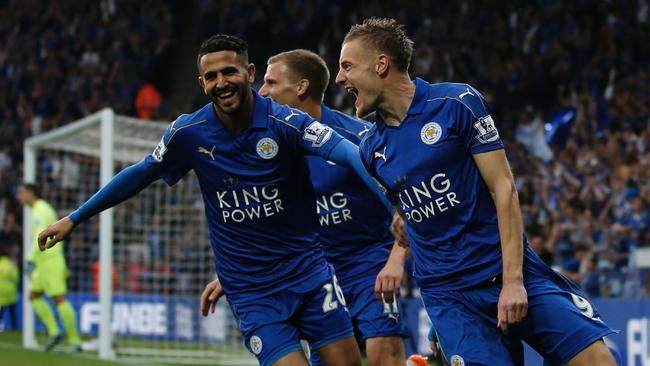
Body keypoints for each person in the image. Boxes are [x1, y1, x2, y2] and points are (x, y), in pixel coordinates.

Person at [38, 34, 393, 366]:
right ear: (201, 84)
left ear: (249, 72)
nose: (221, 82)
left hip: (310, 275)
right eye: (211, 76)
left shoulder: (286, 122)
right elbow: (141, 172)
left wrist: (396, 206)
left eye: (229, 71)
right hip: (253, 292)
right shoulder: (188, 133)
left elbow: (348, 152)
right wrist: (76, 217)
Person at [335, 18, 616, 365]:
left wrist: (513, 282)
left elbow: (504, 188)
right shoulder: (371, 148)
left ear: (381, 64)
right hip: (453, 298)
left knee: (598, 360)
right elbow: (411, 216)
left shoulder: (457, 103)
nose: (339, 79)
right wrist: (439, 322)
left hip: (511, 272)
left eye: (347, 66)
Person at [260, 49, 408, 365]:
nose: (262, 92)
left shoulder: (357, 137)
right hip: (317, 271)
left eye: (271, 82)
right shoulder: (269, 150)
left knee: (386, 352)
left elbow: (403, 201)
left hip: (369, 262)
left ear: (301, 87)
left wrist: (396, 260)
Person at [17, 183, 81, 351]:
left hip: (51, 260)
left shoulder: (41, 209)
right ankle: (54, 332)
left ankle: (75, 341)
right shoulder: (38, 209)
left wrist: (30, 259)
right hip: (43, 262)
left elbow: (40, 236)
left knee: (59, 298)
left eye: (22, 192)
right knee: (33, 296)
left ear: (31, 193)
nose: (19, 196)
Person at [0, 244, 18, 331]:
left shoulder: (0, 264)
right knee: (12, 312)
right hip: (10, 293)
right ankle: (14, 328)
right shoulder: (11, 264)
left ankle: (1, 325)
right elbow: (16, 277)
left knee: (1, 312)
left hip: (1, 293)